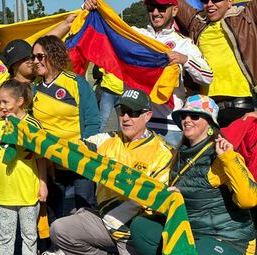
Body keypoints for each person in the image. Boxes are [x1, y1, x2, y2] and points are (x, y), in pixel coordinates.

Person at [49, 89, 173, 255]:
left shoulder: (163, 152)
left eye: (133, 112)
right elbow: (71, 149)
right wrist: (38, 141)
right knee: (59, 229)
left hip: (133, 235)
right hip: (103, 221)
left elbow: (157, 204)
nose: (126, 118)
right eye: (122, 111)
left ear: (147, 116)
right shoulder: (106, 139)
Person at [130, 94, 257, 255]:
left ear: (210, 123)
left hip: (229, 240)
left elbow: (249, 199)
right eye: (184, 116)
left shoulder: (222, 155)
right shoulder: (179, 153)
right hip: (192, 232)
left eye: (195, 116)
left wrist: (228, 159)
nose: (187, 120)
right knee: (141, 227)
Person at [84, 0, 213, 147]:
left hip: (168, 127)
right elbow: (105, 29)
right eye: (152, 7)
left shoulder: (184, 44)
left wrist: (185, 60)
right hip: (133, 123)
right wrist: (91, 9)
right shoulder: (134, 35)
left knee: (164, 170)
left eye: (162, 8)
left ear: (175, 10)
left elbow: (207, 77)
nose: (156, 12)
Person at [31, 35, 100, 255]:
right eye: (34, 57)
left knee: (84, 208)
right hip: (49, 165)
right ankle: (56, 250)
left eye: (40, 56)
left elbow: (92, 121)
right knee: (52, 210)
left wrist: (84, 150)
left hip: (80, 161)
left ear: (53, 55)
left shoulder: (77, 83)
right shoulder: (33, 90)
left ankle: (89, 253)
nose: (36, 61)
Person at [0, 79, 47, 255]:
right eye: (0, 102)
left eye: (5, 102)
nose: (1, 106)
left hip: (28, 189)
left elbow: (41, 156)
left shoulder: (32, 124)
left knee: (29, 231)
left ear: (19, 101)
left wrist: (43, 184)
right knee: (5, 232)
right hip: (5, 191)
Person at [175, 0, 257, 127]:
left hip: (242, 109)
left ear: (230, 2)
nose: (210, 4)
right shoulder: (196, 21)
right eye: (204, 0)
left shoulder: (247, 15)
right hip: (205, 111)